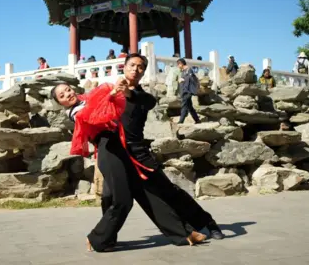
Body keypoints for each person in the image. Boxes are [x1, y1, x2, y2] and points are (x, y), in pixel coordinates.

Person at [51, 81, 207, 252]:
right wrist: (109, 96)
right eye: (62, 95)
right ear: (60, 103)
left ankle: (181, 233)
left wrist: (115, 92)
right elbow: (94, 113)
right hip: (109, 150)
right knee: (123, 200)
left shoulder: (86, 98)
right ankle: (97, 238)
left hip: (122, 146)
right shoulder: (75, 112)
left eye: (67, 89)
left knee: (146, 192)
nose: (67, 94)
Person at [102, 53, 224, 242]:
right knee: (109, 196)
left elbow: (146, 101)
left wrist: (127, 93)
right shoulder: (107, 92)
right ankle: (106, 238)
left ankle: (206, 222)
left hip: (138, 153)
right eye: (132, 65)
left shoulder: (143, 97)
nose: (135, 69)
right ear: (123, 67)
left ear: (143, 72)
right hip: (115, 154)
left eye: (140, 66)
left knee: (167, 190)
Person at [177, 58, 201, 124]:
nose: (178, 66)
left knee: (184, 106)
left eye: (178, 64)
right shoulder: (183, 71)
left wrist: (183, 79)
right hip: (185, 91)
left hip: (187, 91)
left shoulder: (188, 70)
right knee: (190, 107)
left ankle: (181, 121)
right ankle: (197, 120)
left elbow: (190, 79)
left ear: (181, 64)